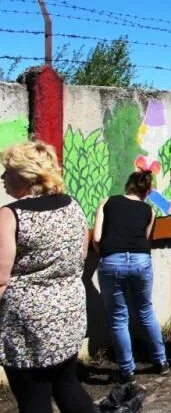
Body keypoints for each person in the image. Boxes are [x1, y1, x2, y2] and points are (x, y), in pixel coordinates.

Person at [0, 141, 95, 412]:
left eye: (8, 171)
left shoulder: (10, 215)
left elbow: (1, 279)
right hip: (69, 313)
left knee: (33, 399)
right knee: (67, 385)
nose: (3, 178)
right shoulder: (72, 205)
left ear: (27, 175)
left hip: (27, 327)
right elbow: (80, 256)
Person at [93, 170, 169, 383]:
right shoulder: (149, 210)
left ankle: (127, 370)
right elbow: (145, 240)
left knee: (119, 317)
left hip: (111, 260)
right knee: (145, 310)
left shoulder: (107, 202)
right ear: (147, 191)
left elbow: (97, 237)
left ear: (128, 185)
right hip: (141, 260)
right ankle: (161, 362)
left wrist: (107, 256)